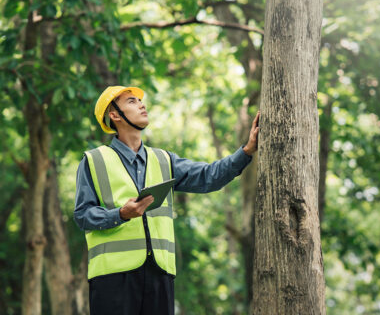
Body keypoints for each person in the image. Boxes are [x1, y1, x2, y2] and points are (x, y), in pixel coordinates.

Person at [74, 86, 259, 315]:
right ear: (114, 115)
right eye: (132, 101)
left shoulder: (163, 160)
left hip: (159, 276)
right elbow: (82, 215)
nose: (142, 105)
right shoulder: (94, 161)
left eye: (141, 101)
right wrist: (120, 214)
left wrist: (247, 151)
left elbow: (209, 177)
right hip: (112, 280)